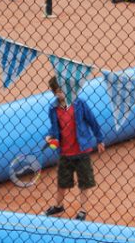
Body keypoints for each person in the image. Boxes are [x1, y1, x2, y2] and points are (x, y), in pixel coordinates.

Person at [43, 76, 105, 221]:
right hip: (65, 152)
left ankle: (83, 210)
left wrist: (99, 139)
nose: (61, 93)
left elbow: (92, 121)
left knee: (84, 182)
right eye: (58, 91)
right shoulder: (53, 109)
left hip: (82, 150)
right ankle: (58, 206)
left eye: (63, 90)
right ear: (54, 93)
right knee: (62, 182)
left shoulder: (80, 103)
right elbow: (54, 128)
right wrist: (49, 137)